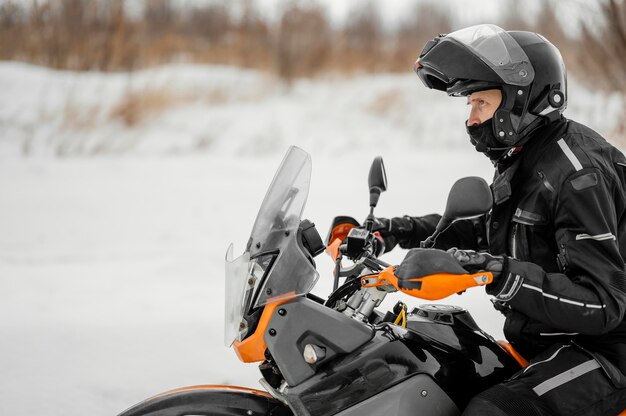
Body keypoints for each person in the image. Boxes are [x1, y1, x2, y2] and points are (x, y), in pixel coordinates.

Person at [379, 24, 626, 415]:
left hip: (605, 353)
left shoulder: (577, 176)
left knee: (491, 411)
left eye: (482, 103)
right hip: (545, 342)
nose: (472, 120)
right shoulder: (524, 156)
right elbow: (486, 228)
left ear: (521, 100)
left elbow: (602, 303)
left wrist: (499, 274)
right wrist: (395, 232)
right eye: (470, 105)